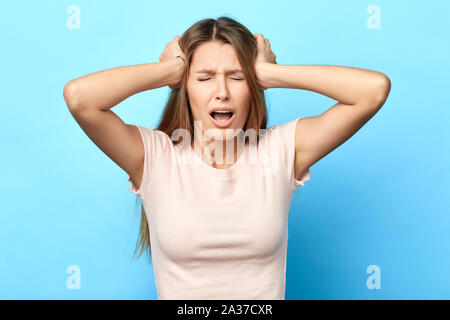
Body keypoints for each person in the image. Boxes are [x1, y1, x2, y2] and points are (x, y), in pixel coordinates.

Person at [63, 16, 390, 300]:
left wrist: (267, 72)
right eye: (204, 78)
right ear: (184, 88)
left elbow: (373, 90)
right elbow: (80, 98)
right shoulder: (153, 157)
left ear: (254, 87)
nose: (222, 91)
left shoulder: (281, 150)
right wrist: (169, 69)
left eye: (236, 77)